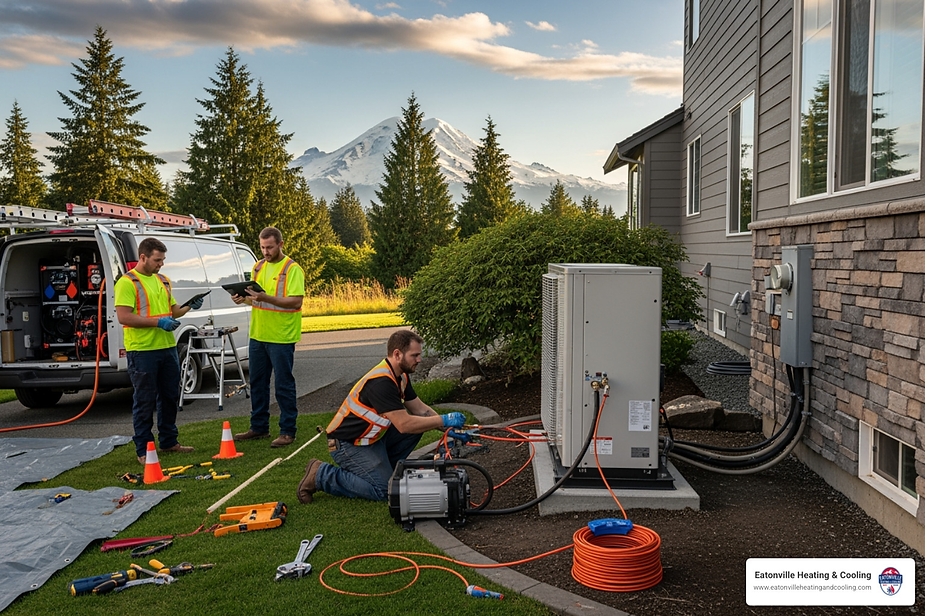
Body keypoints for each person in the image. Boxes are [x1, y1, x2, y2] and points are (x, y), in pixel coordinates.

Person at [296, 330, 465, 504]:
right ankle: (321, 474)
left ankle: (384, 471)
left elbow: (421, 411)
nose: (419, 360)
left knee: (421, 424)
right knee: (385, 491)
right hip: (347, 445)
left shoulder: (400, 376)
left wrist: (449, 429)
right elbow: (404, 425)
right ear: (397, 354)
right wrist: (444, 419)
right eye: (415, 355)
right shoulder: (381, 382)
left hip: (368, 440)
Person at [115, 237, 205, 465]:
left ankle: (168, 441)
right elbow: (124, 316)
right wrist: (158, 323)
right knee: (144, 400)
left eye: (163, 260)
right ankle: (144, 450)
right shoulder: (127, 283)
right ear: (143, 257)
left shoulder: (163, 280)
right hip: (142, 351)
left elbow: (172, 311)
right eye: (157, 260)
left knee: (169, 396)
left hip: (167, 348)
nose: (161, 264)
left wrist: (187, 307)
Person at [232, 227, 305, 448]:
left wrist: (266, 297)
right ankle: (259, 427)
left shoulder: (292, 269)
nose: (265, 251)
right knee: (257, 384)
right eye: (262, 247)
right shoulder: (258, 267)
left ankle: (287, 431)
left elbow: (296, 301)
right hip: (258, 334)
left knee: (283, 385)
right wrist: (242, 299)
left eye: (269, 247)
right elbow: (257, 300)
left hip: (281, 336)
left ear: (281, 244)